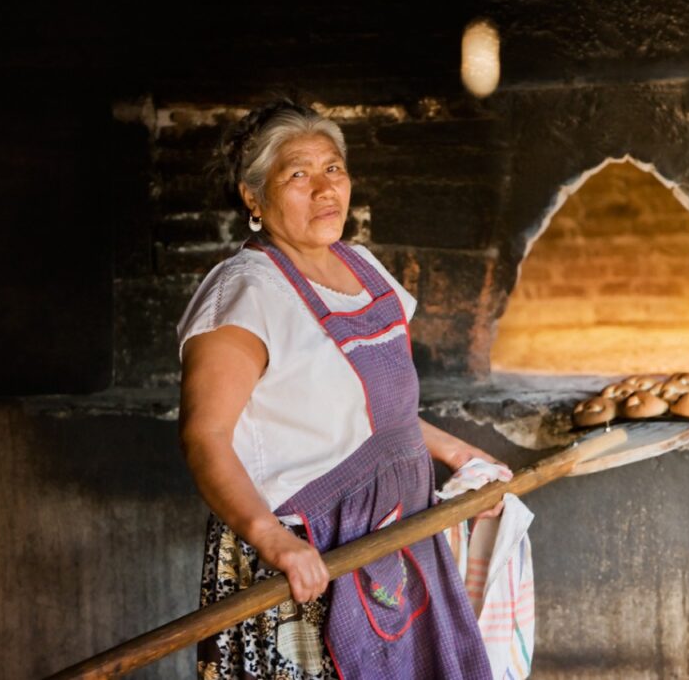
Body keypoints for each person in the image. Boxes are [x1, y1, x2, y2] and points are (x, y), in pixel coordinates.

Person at [177, 99, 504, 680]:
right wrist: (272, 541)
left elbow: (372, 413)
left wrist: (457, 453)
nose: (325, 188)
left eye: (333, 168)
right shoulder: (244, 295)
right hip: (307, 554)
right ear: (253, 197)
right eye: (298, 174)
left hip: (396, 534)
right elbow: (206, 436)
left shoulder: (363, 267)